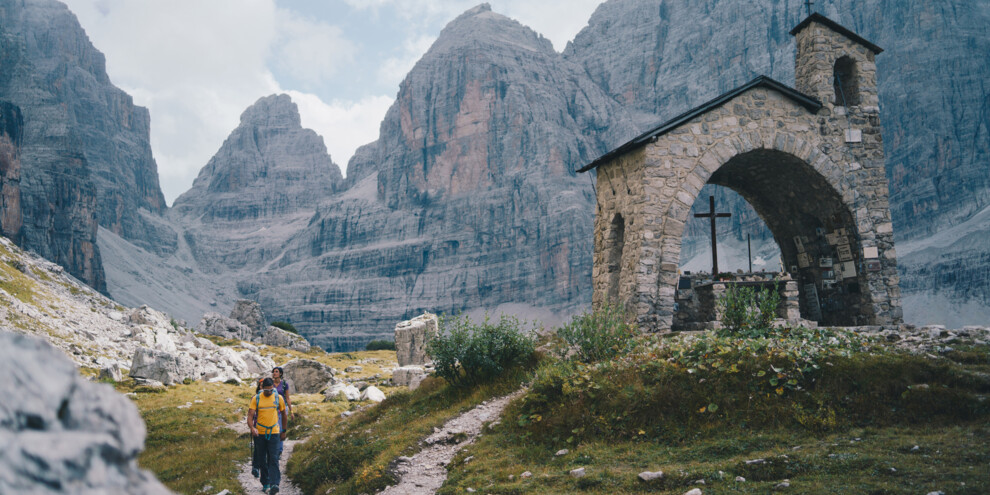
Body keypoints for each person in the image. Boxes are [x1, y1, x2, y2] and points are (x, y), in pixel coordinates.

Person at [248, 377, 287, 494]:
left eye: (271, 390)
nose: (269, 392)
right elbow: (250, 416)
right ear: (262, 388)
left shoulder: (278, 398)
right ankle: (265, 483)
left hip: (274, 432)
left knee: (274, 459)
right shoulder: (256, 398)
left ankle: (275, 484)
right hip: (260, 433)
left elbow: (284, 415)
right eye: (267, 390)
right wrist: (252, 428)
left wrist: (284, 430)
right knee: (262, 460)